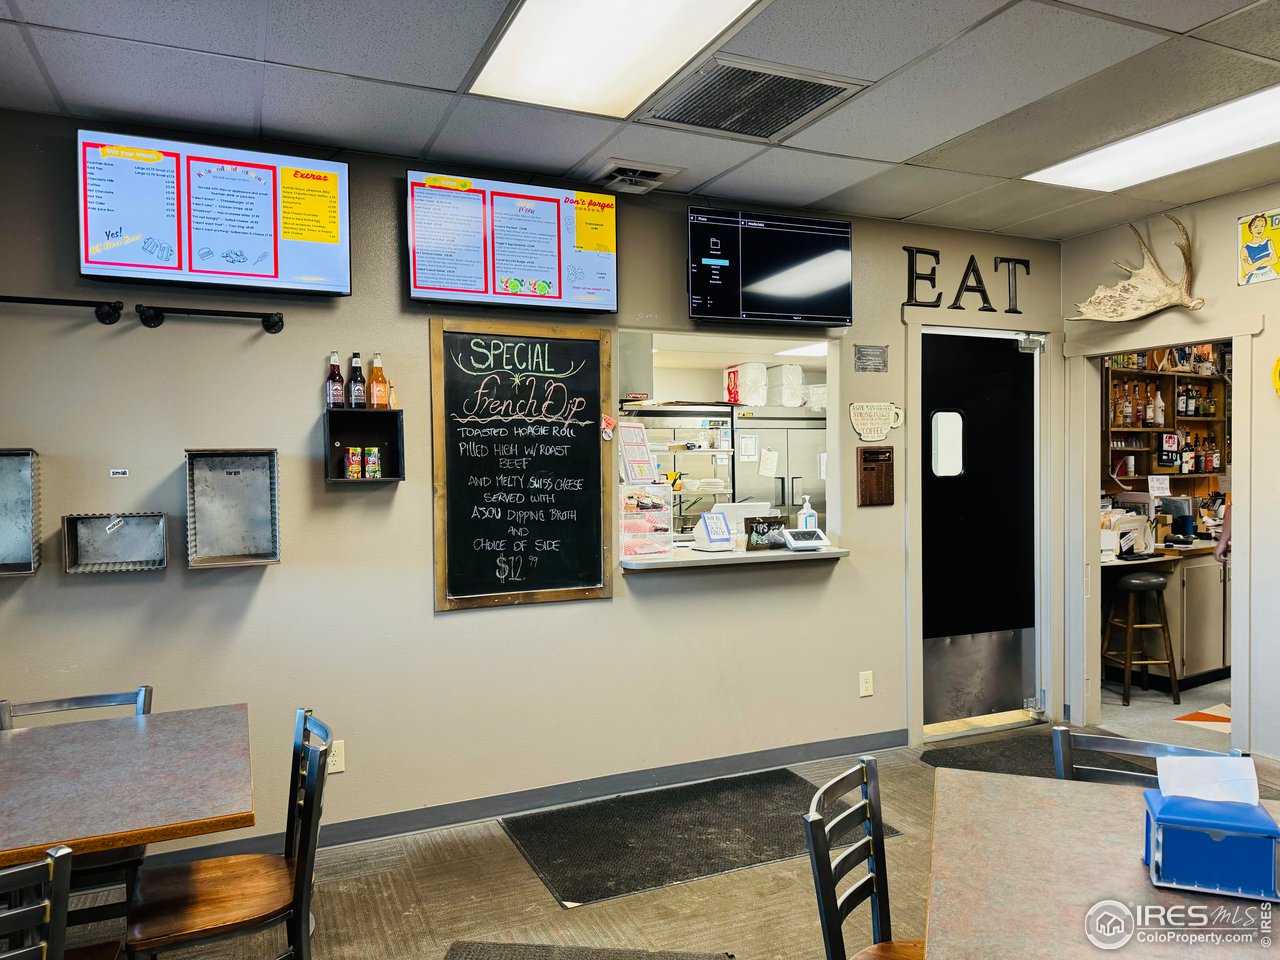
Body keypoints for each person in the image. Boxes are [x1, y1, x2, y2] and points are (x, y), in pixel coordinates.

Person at [1240, 214, 1278, 284]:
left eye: (1262, 226)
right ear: (1250, 229)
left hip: (1270, 273)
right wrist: (1265, 259)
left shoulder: (1268, 241)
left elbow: (1275, 260)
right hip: (1255, 277)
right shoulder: (1245, 248)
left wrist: (1253, 264)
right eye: (1256, 227)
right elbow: (1247, 269)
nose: (1259, 229)